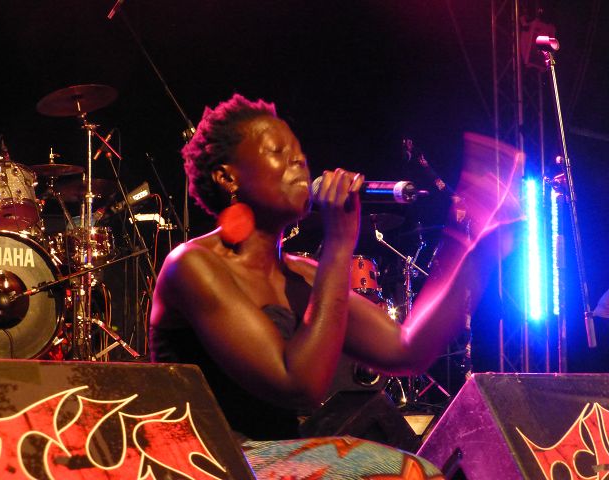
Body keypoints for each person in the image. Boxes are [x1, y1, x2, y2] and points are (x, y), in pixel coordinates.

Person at [150, 94, 521, 478]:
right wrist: (340, 244)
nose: (299, 161)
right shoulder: (193, 266)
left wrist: (479, 249)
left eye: (299, 153)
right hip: (209, 461)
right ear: (227, 177)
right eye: (278, 151)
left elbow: (407, 350)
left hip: (280, 459)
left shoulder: (304, 276)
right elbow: (299, 385)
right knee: (406, 472)